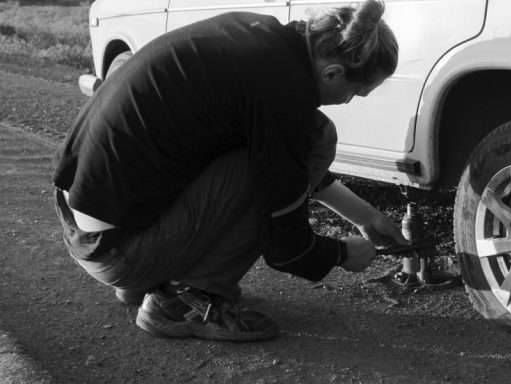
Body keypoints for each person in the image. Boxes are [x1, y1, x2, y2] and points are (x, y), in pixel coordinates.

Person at [52, 0, 405, 342]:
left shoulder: (258, 37)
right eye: (355, 92)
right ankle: (184, 300)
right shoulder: (284, 94)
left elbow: (283, 161)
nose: (348, 101)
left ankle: (154, 278)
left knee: (290, 146)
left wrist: (363, 215)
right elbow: (285, 246)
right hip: (118, 252)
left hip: (89, 225)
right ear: (333, 73)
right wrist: (341, 253)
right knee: (315, 138)